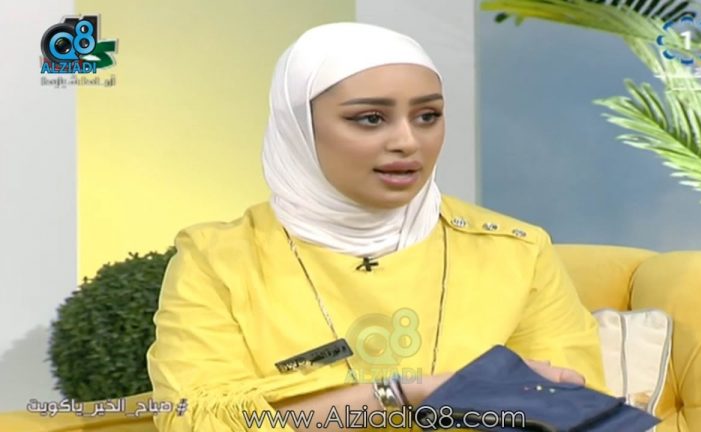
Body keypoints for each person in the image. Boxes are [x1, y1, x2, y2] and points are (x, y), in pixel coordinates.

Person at [147, 22, 607, 432]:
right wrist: (411, 393)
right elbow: (198, 420)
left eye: (427, 116)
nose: (408, 142)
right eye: (370, 118)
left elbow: (578, 411)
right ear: (299, 128)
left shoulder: (518, 252)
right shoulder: (219, 260)